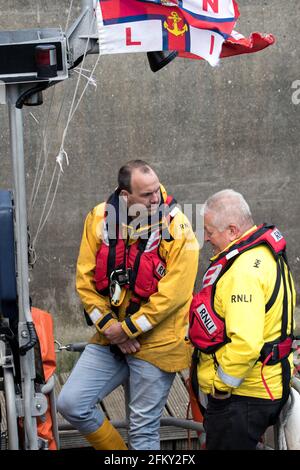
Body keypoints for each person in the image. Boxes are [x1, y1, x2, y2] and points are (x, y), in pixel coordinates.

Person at [57, 160, 199, 450]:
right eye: (146, 194)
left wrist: (128, 330)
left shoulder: (178, 227)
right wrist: (112, 328)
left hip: (158, 344)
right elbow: (85, 283)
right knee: (71, 403)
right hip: (112, 337)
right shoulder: (98, 218)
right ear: (125, 196)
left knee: (143, 429)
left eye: (156, 190)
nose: (155, 198)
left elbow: (173, 296)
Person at [189, 189, 296, 450]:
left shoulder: (242, 272)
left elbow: (245, 344)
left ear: (233, 230)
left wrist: (221, 389)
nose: (206, 238)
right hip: (265, 385)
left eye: (210, 231)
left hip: (245, 396)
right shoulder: (265, 254)